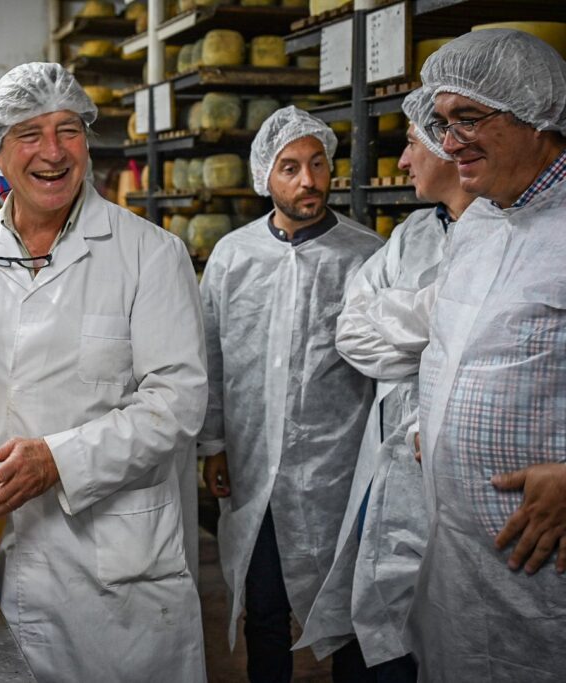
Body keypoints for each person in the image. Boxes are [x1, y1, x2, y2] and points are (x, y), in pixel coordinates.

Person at [0, 63, 208, 682]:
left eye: (68, 130)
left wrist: (57, 460)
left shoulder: (150, 254)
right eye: (29, 134)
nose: (53, 151)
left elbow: (177, 401)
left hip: (112, 571)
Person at [295, 88, 475, 682]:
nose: (401, 162)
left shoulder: (512, 233)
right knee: (386, 606)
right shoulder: (412, 235)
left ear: (452, 146)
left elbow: (485, 330)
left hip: (468, 463)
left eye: (411, 144)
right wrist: (447, 320)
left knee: (461, 623)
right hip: (394, 455)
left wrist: (409, 314)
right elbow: (354, 335)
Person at [199, 106, 383, 682]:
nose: (308, 180)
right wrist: (213, 445)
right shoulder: (233, 256)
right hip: (256, 467)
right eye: (290, 167)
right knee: (266, 611)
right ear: (265, 177)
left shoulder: (367, 255)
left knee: (350, 612)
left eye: (318, 163)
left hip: (339, 473)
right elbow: (211, 357)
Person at [405, 29, 566, 681]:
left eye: (469, 118)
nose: (449, 142)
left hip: (545, 570)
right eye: (442, 123)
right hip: (460, 559)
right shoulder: (477, 224)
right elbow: (456, 345)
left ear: (537, 116)